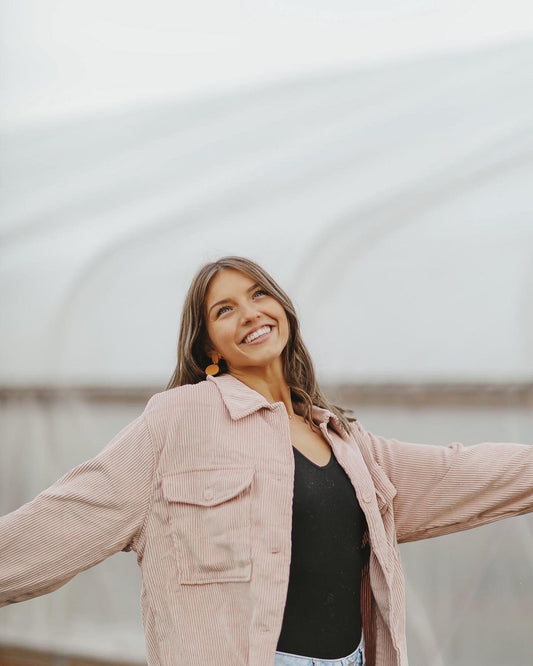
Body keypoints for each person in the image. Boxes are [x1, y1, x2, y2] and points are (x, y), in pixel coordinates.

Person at [1, 255, 532, 666]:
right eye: (224, 309)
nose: (250, 313)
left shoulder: (346, 441)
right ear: (209, 345)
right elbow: (68, 515)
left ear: (283, 310)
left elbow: (457, 472)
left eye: (259, 295)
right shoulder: (177, 421)